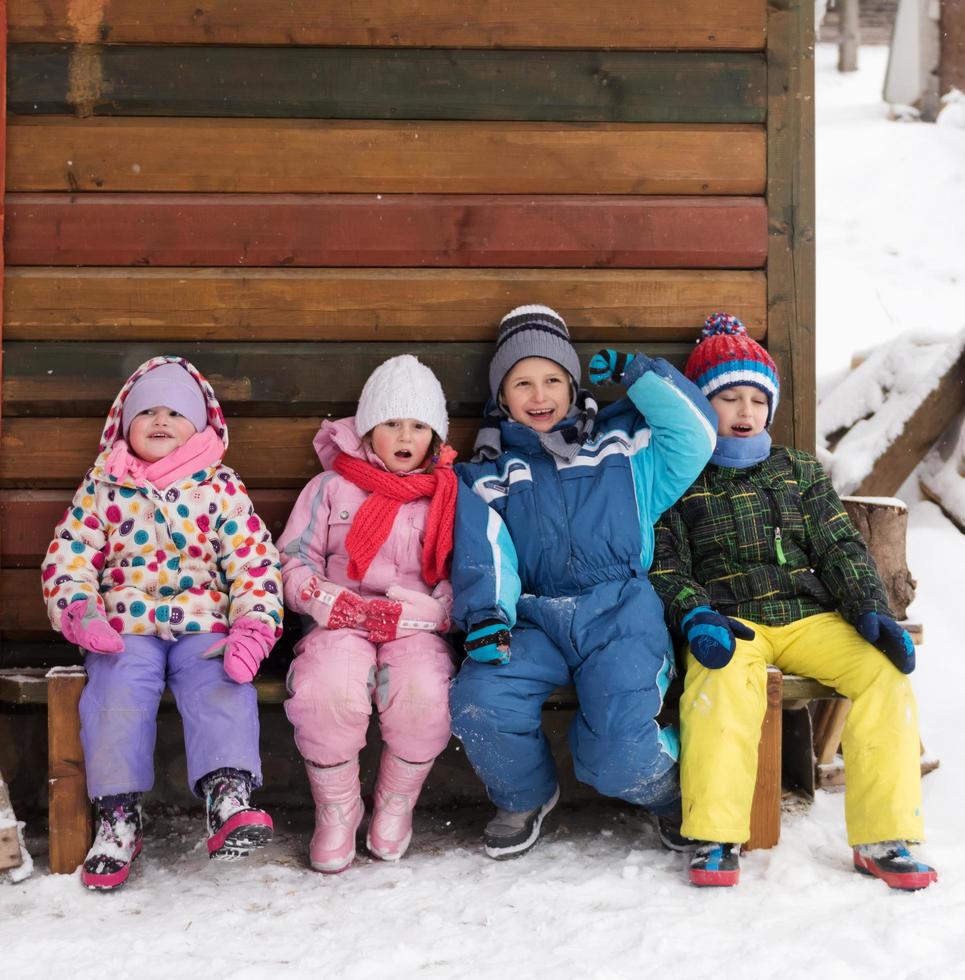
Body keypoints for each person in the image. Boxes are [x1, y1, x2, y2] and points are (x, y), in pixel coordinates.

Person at [651, 312, 937, 890]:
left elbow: (839, 546)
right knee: (719, 681)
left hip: (809, 618)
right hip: (730, 622)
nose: (745, 411)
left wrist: (869, 611)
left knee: (883, 673)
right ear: (704, 406)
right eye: (729, 398)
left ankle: (886, 836)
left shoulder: (797, 471)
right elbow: (665, 561)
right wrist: (694, 612)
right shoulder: (681, 476)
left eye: (756, 399)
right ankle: (715, 834)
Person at [449, 304, 717, 859]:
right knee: (481, 698)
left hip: (619, 610)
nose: (539, 394)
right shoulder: (486, 473)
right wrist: (487, 617)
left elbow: (696, 433)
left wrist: (640, 375)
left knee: (619, 745)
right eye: (521, 382)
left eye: (552, 379)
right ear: (502, 397)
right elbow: (487, 553)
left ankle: (664, 791)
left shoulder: (625, 445)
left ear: (573, 385)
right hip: (531, 617)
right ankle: (524, 794)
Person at [42, 356, 283, 890]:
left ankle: (228, 796)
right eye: (146, 410)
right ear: (123, 421)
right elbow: (71, 554)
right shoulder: (104, 484)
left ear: (199, 426)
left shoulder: (219, 487)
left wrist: (253, 627)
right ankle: (118, 816)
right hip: (124, 625)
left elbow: (254, 560)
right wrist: (80, 610)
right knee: (115, 690)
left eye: (175, 412)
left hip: (204, 622)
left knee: (222, 680)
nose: (159, 420)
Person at [278, 355, 457, 873]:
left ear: (435, 436)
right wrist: (316, 594)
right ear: (367, 430)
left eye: (419, 426)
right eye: (392, 424)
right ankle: (336, 809)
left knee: (425, 692)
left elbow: (467, 570)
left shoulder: (446, 496)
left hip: (415, 626)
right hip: (339, 620)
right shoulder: (330, 488)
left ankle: (396, 804)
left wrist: (439, 607)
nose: (406, 435)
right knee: (326, 690)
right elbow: (293, 557)